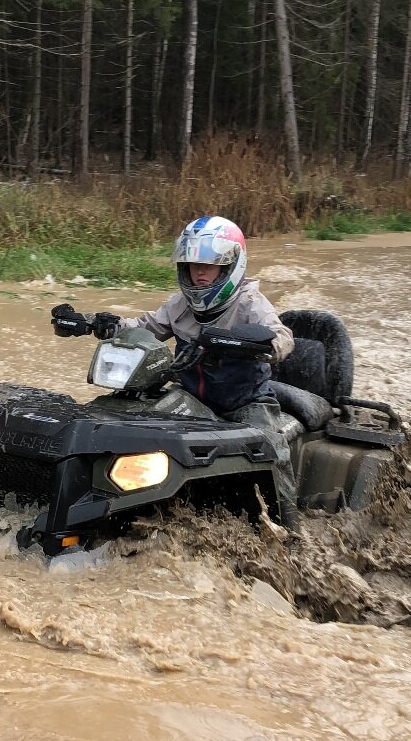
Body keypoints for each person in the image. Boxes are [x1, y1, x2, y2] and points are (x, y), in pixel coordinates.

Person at [52, 215, 299, 529]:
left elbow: (283, 337)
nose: (199, 273)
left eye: (209, 265)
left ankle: (291, 532)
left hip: (245, 404)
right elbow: (143, 329)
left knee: (274, 452)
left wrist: (257, 344)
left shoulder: (251, 302)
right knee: (133, 419)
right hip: (190, 397)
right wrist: (93, 323)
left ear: (228, 267)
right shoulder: (180, 305)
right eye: (193, 265)